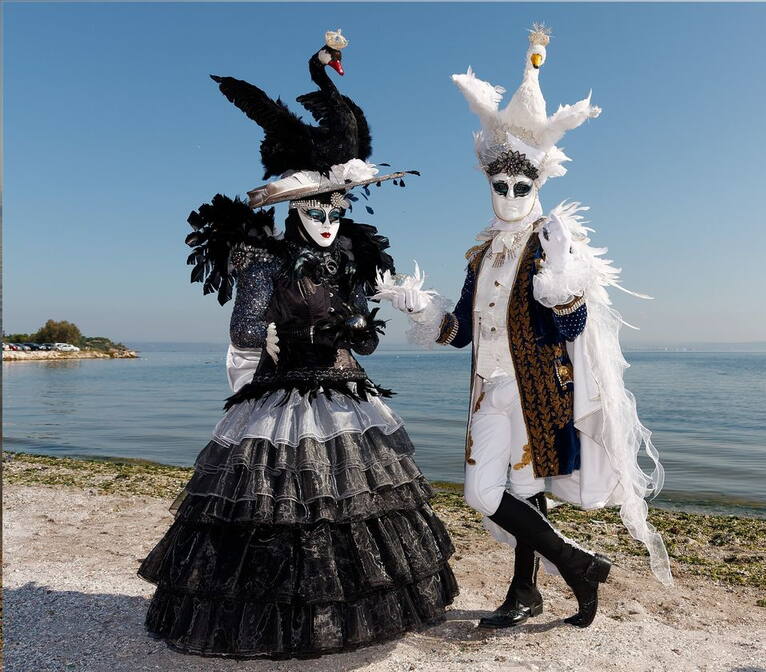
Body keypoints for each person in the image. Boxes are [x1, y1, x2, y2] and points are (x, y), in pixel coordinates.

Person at [138, 30, 457, 658]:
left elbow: (364, 341)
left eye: (336, 212)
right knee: (280, 507)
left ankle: (349, 617)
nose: (328, 222)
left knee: (355, 510)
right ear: (293, 212)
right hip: (282, 400)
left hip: (348, 398)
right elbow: (245, 332)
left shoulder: (347, 261)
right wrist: (277, 338)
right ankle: (275, 621)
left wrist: (362, 329)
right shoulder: (266, 260)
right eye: (316, 212)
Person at [373, 24, 673, 631]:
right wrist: (423, 311)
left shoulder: (552, 240)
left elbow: (575, 324)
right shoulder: (481, 253)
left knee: (526, 488)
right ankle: (577, 564)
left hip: (538, 390)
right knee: (484, 494)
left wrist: (563, 292)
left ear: (537, 183)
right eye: (499, 184)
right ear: (487, 182)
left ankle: (526, 592)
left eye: (520, 184)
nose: (509, 193)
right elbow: (462, 330)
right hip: (487, 389)